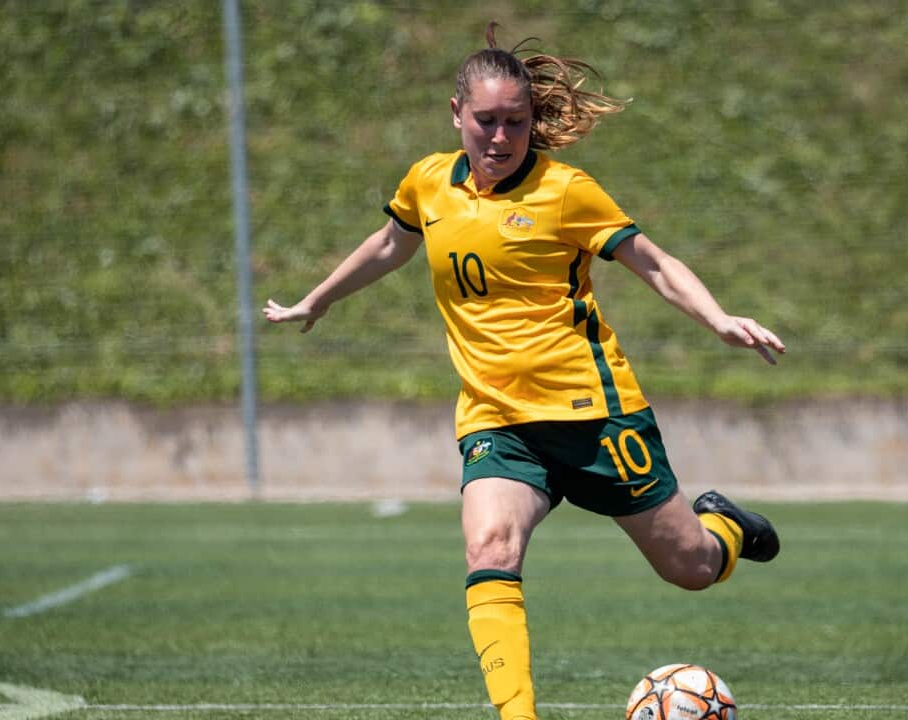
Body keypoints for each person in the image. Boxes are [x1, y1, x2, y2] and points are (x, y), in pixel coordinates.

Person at [263, 23, 786, 720]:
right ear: (457, 115)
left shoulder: (566, 192)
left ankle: (723, 527)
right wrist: (315, 299)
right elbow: (391, 243)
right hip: (496, 418)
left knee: (689, 568)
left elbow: (652, 262)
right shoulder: (427, 183)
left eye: (516, 121)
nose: (502, 138)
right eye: (487, 122)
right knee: (489, 545)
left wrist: (718, 318)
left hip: (594, 414)